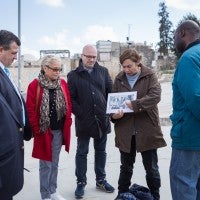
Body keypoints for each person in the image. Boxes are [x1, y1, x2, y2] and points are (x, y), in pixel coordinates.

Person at [111, 49, 167, 200]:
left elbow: (155, 96)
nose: (126, 70)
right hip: (125, 131)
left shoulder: (150, 75)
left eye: (129, 66)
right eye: (123, 66)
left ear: (138, 63)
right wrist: (114, 116)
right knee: (126, 168)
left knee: (152, 168)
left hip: (147, 129)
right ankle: (122, 195)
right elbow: (113, 103)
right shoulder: (119, 79)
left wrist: (135, 105)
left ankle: (155, 196)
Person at [67, 44, 114, 199]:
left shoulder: (103, 72)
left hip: (102, 120)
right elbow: (71, 99)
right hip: (84, 121)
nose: (91, 59)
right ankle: (81, 182)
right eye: (88, 56)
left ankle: (101, 180)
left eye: (94, 56)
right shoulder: (73, 75)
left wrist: (108, 112)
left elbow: (110, 93)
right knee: (82, 152)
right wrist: (81, 113)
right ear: (82, 56)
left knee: (101, 152)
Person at [26, 55, 72, 200]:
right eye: (55, 69)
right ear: (44, 68)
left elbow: (68, 103)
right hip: (43, 131)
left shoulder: (62, 84)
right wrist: (36, 129)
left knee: (55, 162)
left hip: (58, 130)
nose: (58, 72)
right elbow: (30, 109)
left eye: (60, 69)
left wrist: (68, 120)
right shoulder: (34, 85)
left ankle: (53, 191)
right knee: (45, 164)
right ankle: (45, 194)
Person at [169, 20, 200, 200]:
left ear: (182, 33)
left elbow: (196, 97)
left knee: (183, 185)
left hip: (189, 138)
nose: (174, 41)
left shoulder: (188, 58)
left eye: (174, 36)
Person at [0, 30, 32, 200]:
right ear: (0, 49)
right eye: (13, 53)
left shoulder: (5, 72)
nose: (15, 58)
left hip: (11, 151)